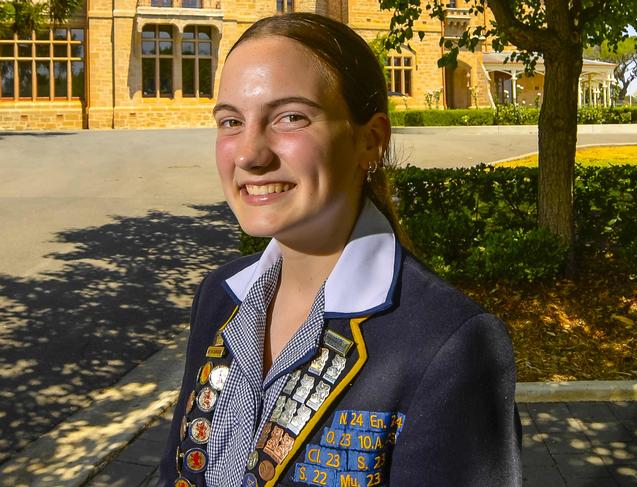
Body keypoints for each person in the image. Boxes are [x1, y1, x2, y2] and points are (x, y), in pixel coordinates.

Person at [157, 12, 521, 487]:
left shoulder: (450, 344)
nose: (249, 154)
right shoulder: (218, 297)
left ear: (369, 141)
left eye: (290, 117)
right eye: (231, 121)